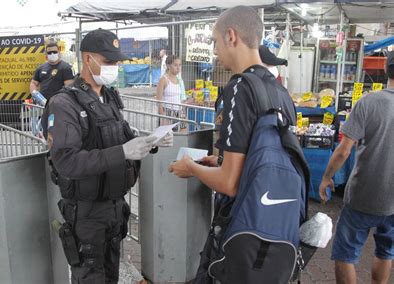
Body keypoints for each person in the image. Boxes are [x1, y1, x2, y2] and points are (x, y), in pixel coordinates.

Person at [168, 5, 296, 277]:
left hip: (241, 226)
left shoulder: (240, 88)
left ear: (231, 36)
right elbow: (264, 155)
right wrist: (221, 160)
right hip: (273, 229)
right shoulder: (280, 92)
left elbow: (229, 183)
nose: (214, 51)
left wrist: (191, 167)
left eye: (215, 42)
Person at [42, 29, 173, 284]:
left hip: (114, 209)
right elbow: (67, 161)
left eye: (117, 61)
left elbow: (118, 138)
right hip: (87, 213)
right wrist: (123, 151)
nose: (115, 66)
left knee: (111, 276)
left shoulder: (109, 96)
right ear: (88, 59)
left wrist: (149, 141)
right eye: (109, 61)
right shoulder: (64, 103)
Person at [319, 51, 394, 284]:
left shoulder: (369, 102)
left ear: (385, 69)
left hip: (364, 195)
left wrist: (326, 177)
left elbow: (343, 151)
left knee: (346, 253)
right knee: (386, 251)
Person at [156, 55, 186, 122]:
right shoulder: (163, 80)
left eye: (180, 65)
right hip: (167, 112)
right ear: (168, 66)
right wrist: (163, 117)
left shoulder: (180, 80)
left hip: (179, 112)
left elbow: (181, 99)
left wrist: (183, 114)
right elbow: (158, 101)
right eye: (175, 65)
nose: (178, 68)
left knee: (180, 132)